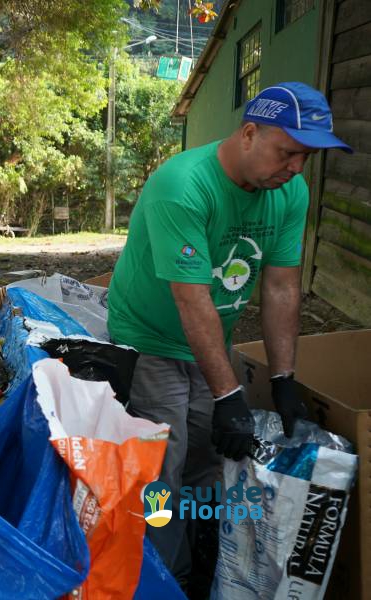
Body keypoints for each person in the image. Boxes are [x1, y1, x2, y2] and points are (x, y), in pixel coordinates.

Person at [106, 82, 352, 588]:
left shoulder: (289, 191)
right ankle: (164, 581)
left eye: (306, 157)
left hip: (211, 341)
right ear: (248, 133)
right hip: (151, 340)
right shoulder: (183, 184)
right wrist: (229, 394)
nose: (296, 168)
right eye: (288, 152)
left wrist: (283, 377)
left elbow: (282, 287)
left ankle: (211, 564)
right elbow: (190, 298)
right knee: (161, 474)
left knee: (218, 459)